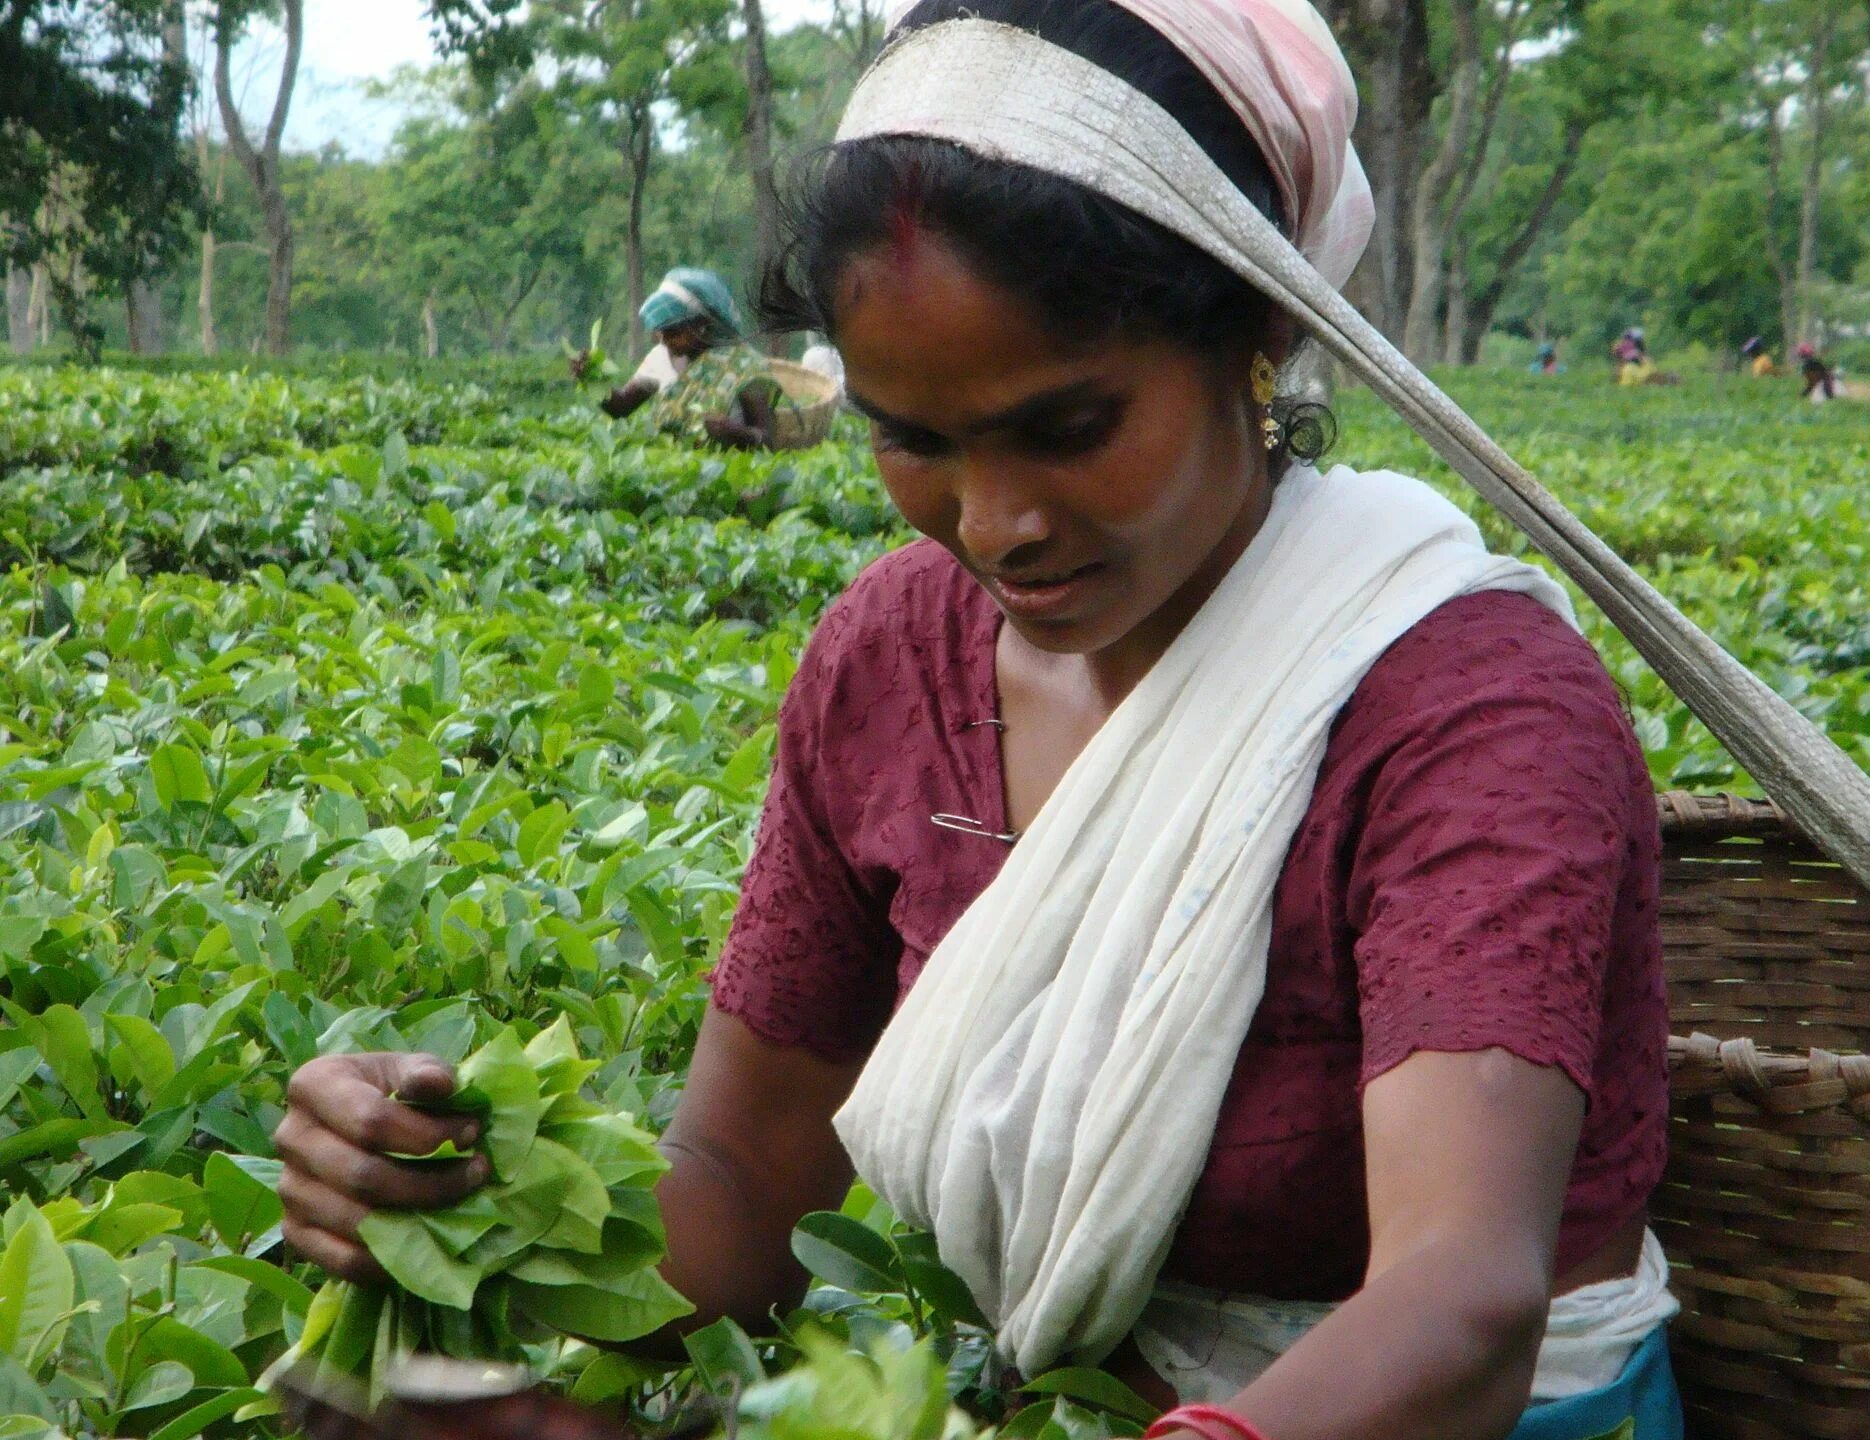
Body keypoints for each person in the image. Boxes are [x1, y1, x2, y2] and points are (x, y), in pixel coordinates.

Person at [273, 3, 1679, 1439]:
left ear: (1258, 330)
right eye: (914, 440)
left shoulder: (1466, 707)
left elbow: (1460, 1307)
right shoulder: (892, 661)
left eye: (1069, 428)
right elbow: (746, 1191)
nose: (996, 527)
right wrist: (456, 1180)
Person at [600, 267, 788, 449]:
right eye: (661, 333)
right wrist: (593, 379)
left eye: (673, 332)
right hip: (670, 469)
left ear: (701, 325)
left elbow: (767, 441)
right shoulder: (660, 358)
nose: (664, 341)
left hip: (727, 472)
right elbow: (621, 407)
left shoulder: (744, 365)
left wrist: (735, 433)